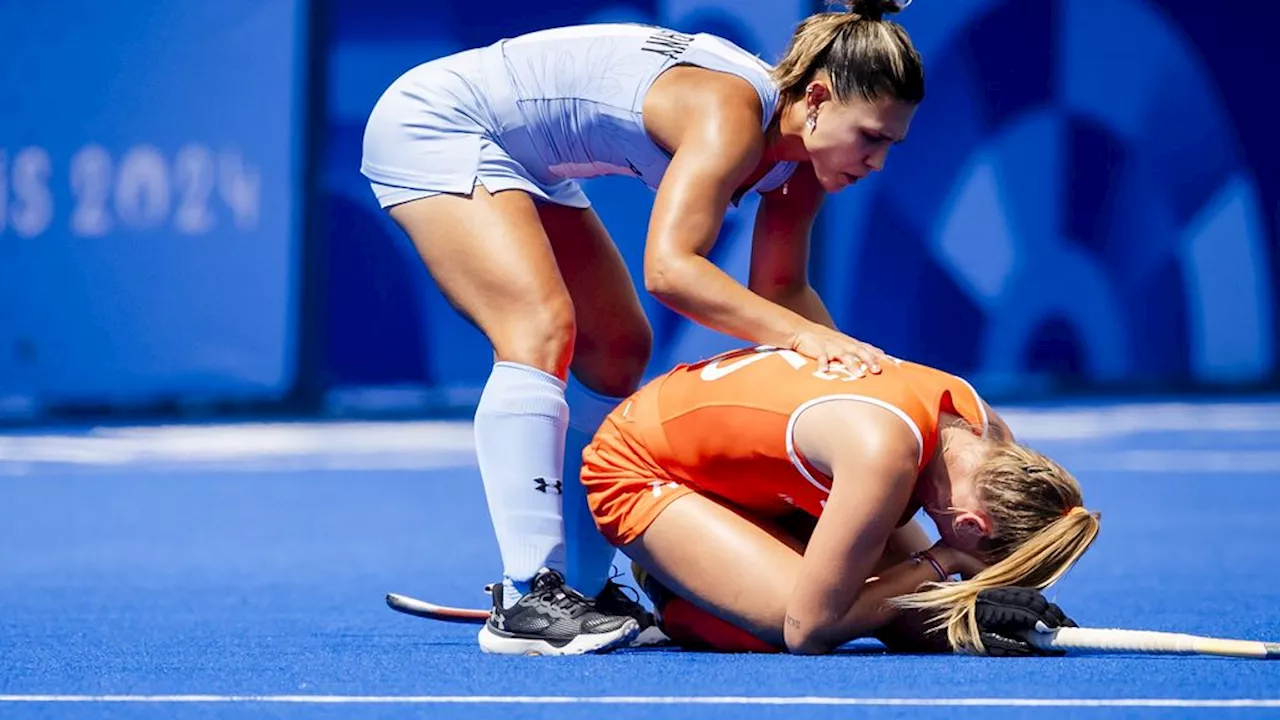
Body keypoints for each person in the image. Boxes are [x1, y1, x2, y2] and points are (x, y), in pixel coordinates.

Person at [361, 0, 924, 655]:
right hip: (439, 123)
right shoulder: (731, 114)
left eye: (891, 144)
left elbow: (781, 291)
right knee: (538, 328)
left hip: (524, 156)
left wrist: (860, 374)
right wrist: (805, 339)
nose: (877, 161)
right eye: (872, 137)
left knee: (618, 349)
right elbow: (671, 271)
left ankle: (581, 588)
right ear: (818, 99)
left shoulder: (803, 167)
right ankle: (527, 599)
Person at [581, 344, 1101, 654]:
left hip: (751, 474)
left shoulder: (987, 434)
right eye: (979, 567)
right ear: (969, 527)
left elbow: (899, 609)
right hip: (641, 463)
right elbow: (809, 631)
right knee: (791, 619)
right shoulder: (884, 458)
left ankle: (740, 551)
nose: (970, 576)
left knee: (885, 604)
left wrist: (971, 617)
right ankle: (676, 589)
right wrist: (943, 561)